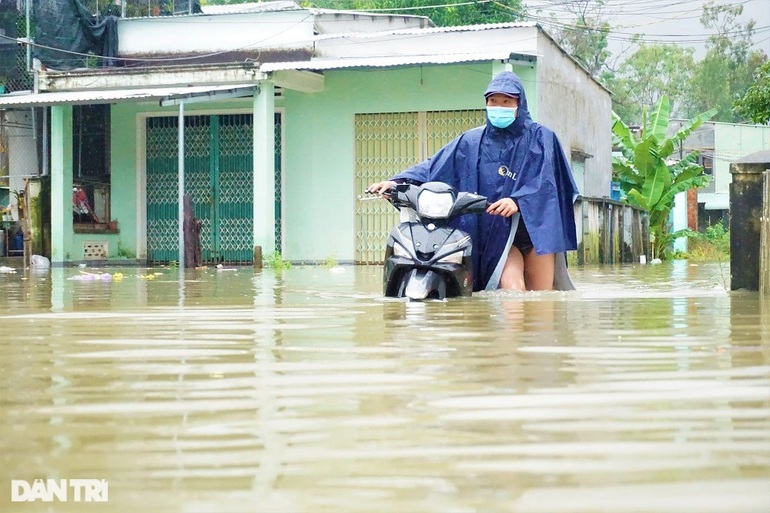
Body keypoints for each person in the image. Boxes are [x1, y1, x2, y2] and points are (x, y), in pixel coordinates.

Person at [367, 70, 578, 292]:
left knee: (542, 302)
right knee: (513, 289)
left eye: (507, 101)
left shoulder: (542, 137)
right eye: (493, 101)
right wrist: (397, 182)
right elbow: (433, 166)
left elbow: (549, 183)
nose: (499, 106)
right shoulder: (471, 141)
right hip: (498, 236)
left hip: (537, 234)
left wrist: (518, 200)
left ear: (520, 103)